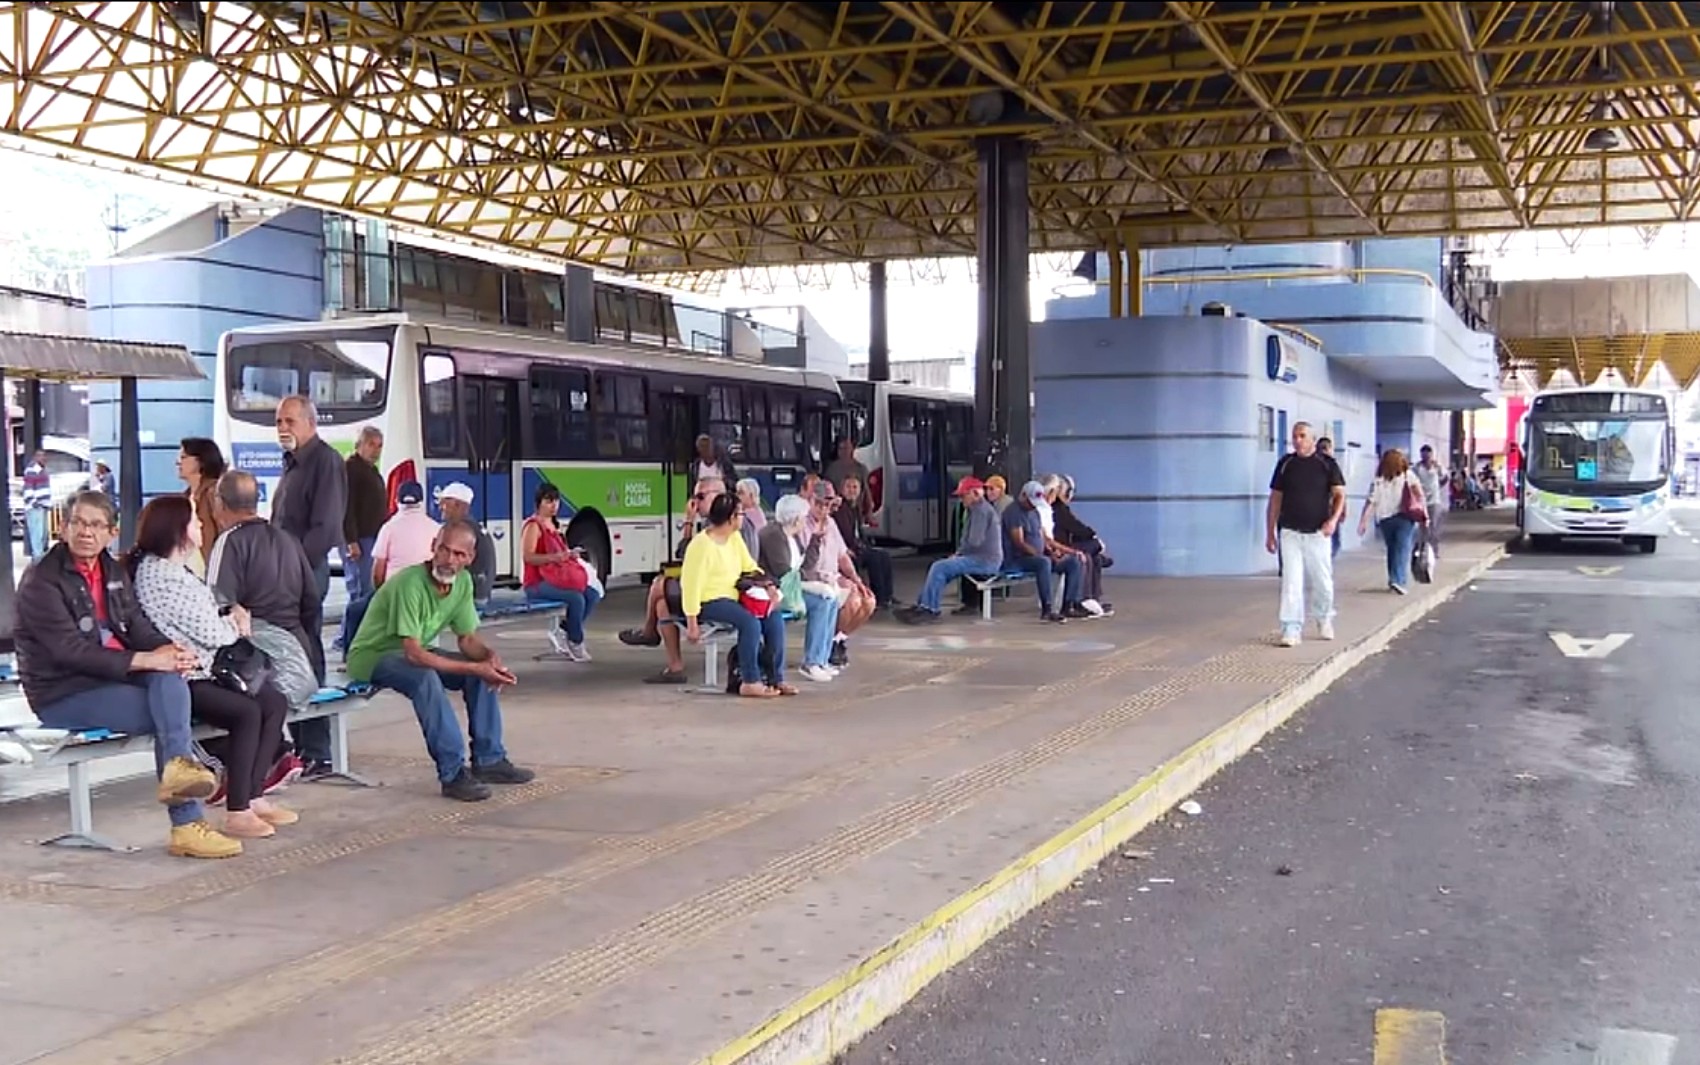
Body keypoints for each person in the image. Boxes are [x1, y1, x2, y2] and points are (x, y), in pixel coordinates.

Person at [14, 491, 237, 858]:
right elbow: (69, 652)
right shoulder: (42, 580)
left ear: (112, 532)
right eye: (78, 523)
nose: (86, 532)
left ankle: (182, 792)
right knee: (169, 711)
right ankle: (186, 821)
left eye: (96, 525)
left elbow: (135, 624)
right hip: (62, 691)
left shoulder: (112, 570)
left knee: (170, 681)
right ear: (64, 528)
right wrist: (146, 660)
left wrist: (169, 650)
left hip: (111, 678)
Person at [129, 496, 297, 841]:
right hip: (185, 676)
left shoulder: (178, 570)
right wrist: (237, 623)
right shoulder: (159, 576)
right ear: (178, 530)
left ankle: (253, 794)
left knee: (274, 702)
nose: (202, 525)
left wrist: (229, 619)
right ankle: (238, 810)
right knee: (246, 713)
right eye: (195, 520)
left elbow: (209, 618)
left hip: (207, 670)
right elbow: (212, 633)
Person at [344, 520, 535, 802]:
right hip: (374, 656)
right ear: (433, 547)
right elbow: (414, 654)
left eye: (459, 554)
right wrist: (474, 665)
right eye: (444, 550)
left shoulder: (463, 583)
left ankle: (489, 759)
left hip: (415, 651)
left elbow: (467, 639)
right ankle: (452, 772)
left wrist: (489, 659)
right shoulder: (409, 583)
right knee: (425, 678)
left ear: (470, 559)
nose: (448, 560)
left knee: (481, 674)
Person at [269, 395, 345, 777]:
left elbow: (326, 527)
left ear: (310, 423)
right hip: (285, 570)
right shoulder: (293, 462)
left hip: (304, 573)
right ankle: (301, 745)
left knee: (306, 652)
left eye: (290, 421)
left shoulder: (324, 461)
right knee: (290, 654)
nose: (283, 427)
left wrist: (293, 568)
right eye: (279, 421)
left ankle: (317, 748)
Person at [681, 492, 790, 698]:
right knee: (750, 623)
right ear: (731, 517)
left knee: (773, 617)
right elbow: (691, 585)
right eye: (740, 513)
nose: (743, 517)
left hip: (735, 596)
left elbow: (750, 567)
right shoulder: (700, 545)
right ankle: (751, 680)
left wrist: (768, 586)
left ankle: (776, 678)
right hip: (709, 601)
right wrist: (692, 622)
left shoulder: (735, 538)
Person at [1266, 421, 1347, 647]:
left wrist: (1333, 520)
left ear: (1312, 439)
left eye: (1302, 436)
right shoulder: (1286, 464)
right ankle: (1291, 627)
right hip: (1290, 531)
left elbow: (1340, 494)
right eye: (1295, 436)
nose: (1297, 440)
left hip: (1318, 533)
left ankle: (1323, 618)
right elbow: (1275, 499)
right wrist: (1270, 531)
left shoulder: (1327, 464)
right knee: (1291, 581)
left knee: (1323, 582)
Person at [897, 476, 1003, 623]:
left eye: (963, 495)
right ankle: (923, 604)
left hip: (984, 561)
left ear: (975, 493)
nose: (961, 499)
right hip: (979, 558)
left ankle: (929, 609)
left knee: (939, 567)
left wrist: (959, 554)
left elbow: (974, 541)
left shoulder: (981, 511)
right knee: (941, 569)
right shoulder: (977, 509)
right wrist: (958, 554)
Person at [762, 493, 839, 681]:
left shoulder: (791, 536)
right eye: (804, 517)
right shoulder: (773, 535)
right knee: (820, 603)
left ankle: (822, 659)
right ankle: (811, 662)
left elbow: (804, 567)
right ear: (796, 518)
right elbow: (786, 574)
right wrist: (814, 585)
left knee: (832, 599)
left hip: (791, 588)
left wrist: (815, 541)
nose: (806, 520)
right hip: (777, 591)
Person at [520, 483, 601, 661]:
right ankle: (575, 641)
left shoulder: (554, 525)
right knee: (576, 598)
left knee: (592, 594)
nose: (554, 505)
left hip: (557, 578)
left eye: (556, 501)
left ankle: (568, 628)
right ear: (539, 503)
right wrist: (555, 557)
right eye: (549, 501)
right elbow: (528, 557)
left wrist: (569, 555)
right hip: (536, 583)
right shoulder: (533, 526)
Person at [1357, 448, 1427, 595]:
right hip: (1404, 517)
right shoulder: (1408, 476)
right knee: (1401, 548)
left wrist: (1363, 522)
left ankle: (1394, 579)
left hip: (1385, 519)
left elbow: (1371, 502)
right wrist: (1424, 516)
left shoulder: (1378, 480)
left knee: (1393, 549)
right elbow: (1420, 496)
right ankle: (1398, 581)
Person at [342, 426, 387, 603]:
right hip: (360, 539)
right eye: (371, 444)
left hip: (372, 537)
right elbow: (347, 506)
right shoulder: (351, 470)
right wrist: (351, 541)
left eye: (379, 446)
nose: (375, 450)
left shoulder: (370, 470)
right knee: (360, 591)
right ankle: (353, 631)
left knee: (368, 589)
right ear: (359, 444)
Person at [434, 482, 496, 608]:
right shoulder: (474, 527)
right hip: (481, 593)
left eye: (444, 502)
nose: (440, 507)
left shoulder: (459, 530)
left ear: (457, 504)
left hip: (470, 598)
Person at [371, 480, 440, 587]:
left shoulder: (388, 528)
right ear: (422, 502)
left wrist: (381, 594)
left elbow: (378, 571)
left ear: (396, 501)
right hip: (425, 589)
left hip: (394, 588)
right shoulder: (436, 528)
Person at [177, 437, 227, 572]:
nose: (177, 462)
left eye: (183, 457)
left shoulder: (215, 493)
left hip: (212, 569)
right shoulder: (183, 498)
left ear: (201, 461)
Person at [1413, 444, 1446, 558]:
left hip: (1434, 501)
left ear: (1431, 455)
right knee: (1423, 527)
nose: (1426, 457)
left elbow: (1445, 478)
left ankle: (1434, 551)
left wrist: (1437, 488)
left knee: (1433, 527)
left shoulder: (1437, 467)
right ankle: (1422, 549)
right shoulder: (1417, 468)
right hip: (1421, 501)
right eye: (1424, 455)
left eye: (1428, 454)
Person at [21, 450, 52, 558]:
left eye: (45, 456)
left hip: (43, 507)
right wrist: (35, 503)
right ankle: (38, 563)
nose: (44, 458)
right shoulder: (31, 470)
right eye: (41, 456)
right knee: (37, 537)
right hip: (36, 508)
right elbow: (28, 490)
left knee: (43, 536)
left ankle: (39, 560)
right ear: (36, 458)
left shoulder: (43, 471)